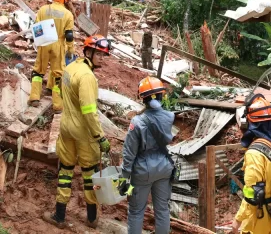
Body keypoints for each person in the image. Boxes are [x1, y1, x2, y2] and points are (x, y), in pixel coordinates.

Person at [42, 35, 112, 229]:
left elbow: (60, 90)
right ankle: (91, 218)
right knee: (89, 173)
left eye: (104, 55)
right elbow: (89, 112)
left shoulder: (70, 68)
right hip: (83, 132)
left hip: (66, 128)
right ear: (88, 52)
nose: (102, 58)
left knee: (65, 171)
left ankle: (59, 215)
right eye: (99, 54)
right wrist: (101, 137)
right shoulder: (88, 77)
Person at [119, 76, 175, 234]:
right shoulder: (169, 117)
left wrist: (124, 177)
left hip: (143, 170)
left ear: (142, 99)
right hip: (164, 167)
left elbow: (129, 153)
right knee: (162, 210)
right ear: (160, 95)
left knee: (136, 212)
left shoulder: (137, 122)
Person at [232, 94, 271, 234]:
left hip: (260, 218)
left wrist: (238, 220)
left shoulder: (254, 153)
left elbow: (252, 194)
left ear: (250, 124)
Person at [28, 0, 75, 113]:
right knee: (58, 74)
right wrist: (70, 49)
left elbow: (36, 27)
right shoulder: (68, 14)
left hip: (44, 42)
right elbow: (69, 35)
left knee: (38, 71)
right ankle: (58, 105)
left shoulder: (43, 9)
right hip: (58, 44)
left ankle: (34, 97)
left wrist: (39, 42)